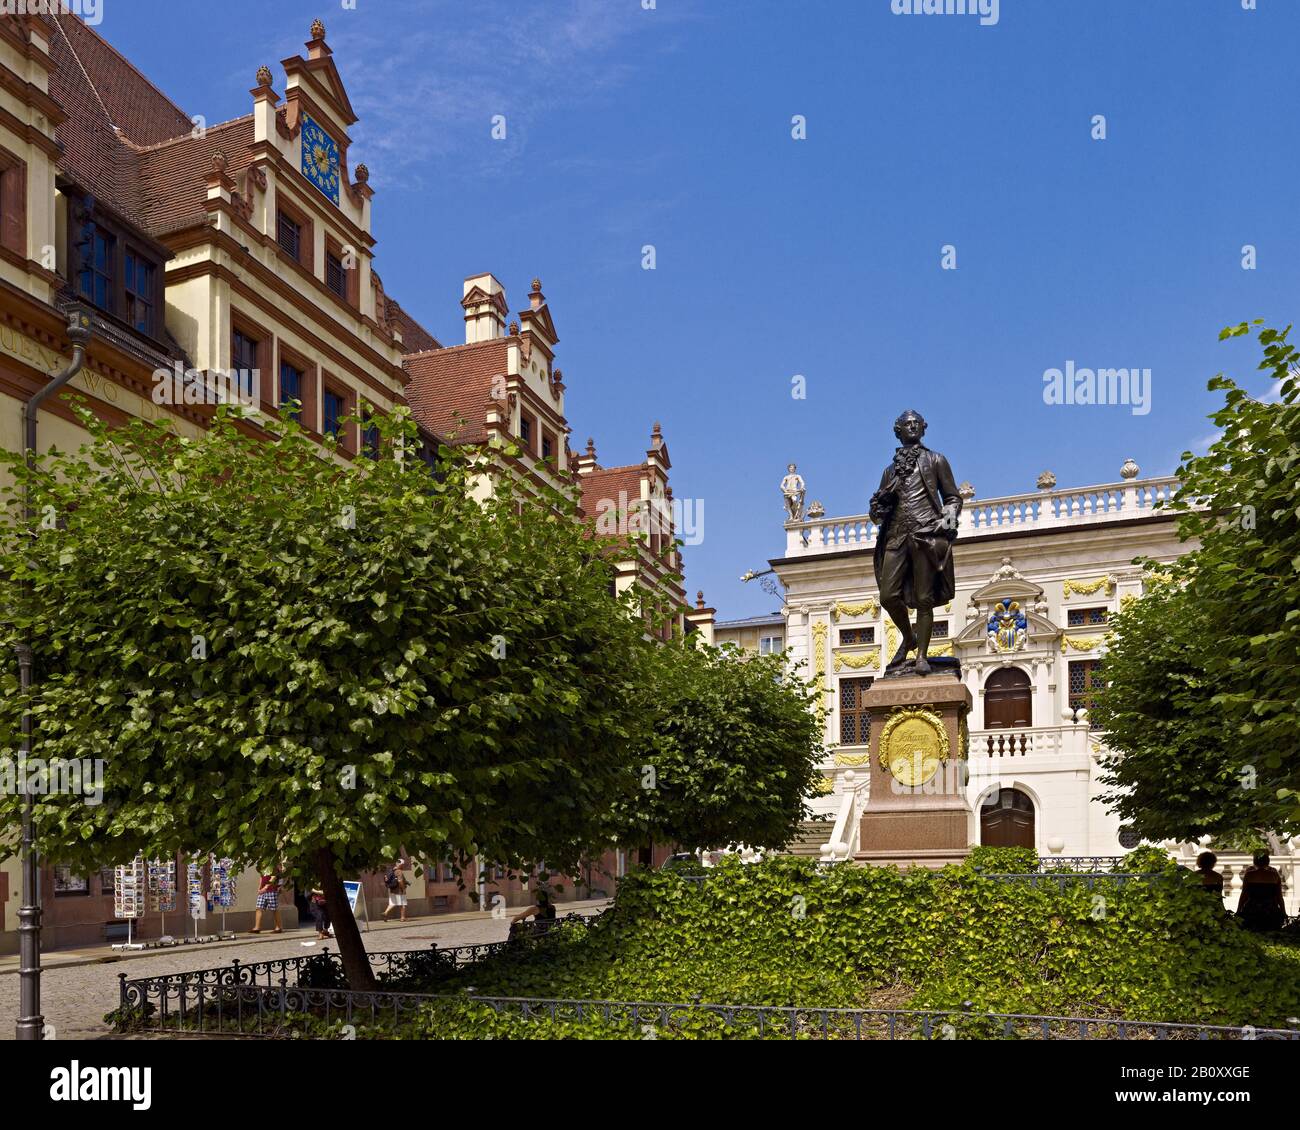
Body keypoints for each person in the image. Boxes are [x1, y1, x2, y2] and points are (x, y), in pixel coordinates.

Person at [1236, 850, 1286, 932]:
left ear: (1255, 862)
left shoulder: (1249, 875)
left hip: (1252, 909)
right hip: (1270, 909)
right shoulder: (1274, 875)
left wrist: (1238, 911)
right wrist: (1283, 912)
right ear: (1268, 862)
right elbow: (1279, 897)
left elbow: (1244, 895)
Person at [250, 868, 282, 934]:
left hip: (271, 890)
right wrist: (259, 888)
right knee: (259, 907)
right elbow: (261, 877)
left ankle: (278, 927)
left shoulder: (272, 864)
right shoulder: (262, 865)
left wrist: (265, 887)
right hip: (263, 891)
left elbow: (274, 878)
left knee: (274, 909)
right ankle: (257, 928)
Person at [381, 858, 409, 923]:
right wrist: (403, 889)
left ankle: (385, 912)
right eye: (403, 864)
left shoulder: (392, 870)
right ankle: (402, 918)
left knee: (392, 903)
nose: (403, 866)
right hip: (399, 890)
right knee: (403, 904)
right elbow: (400, 881)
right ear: (401, 864)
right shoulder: (399, 871)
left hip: (392, 890)